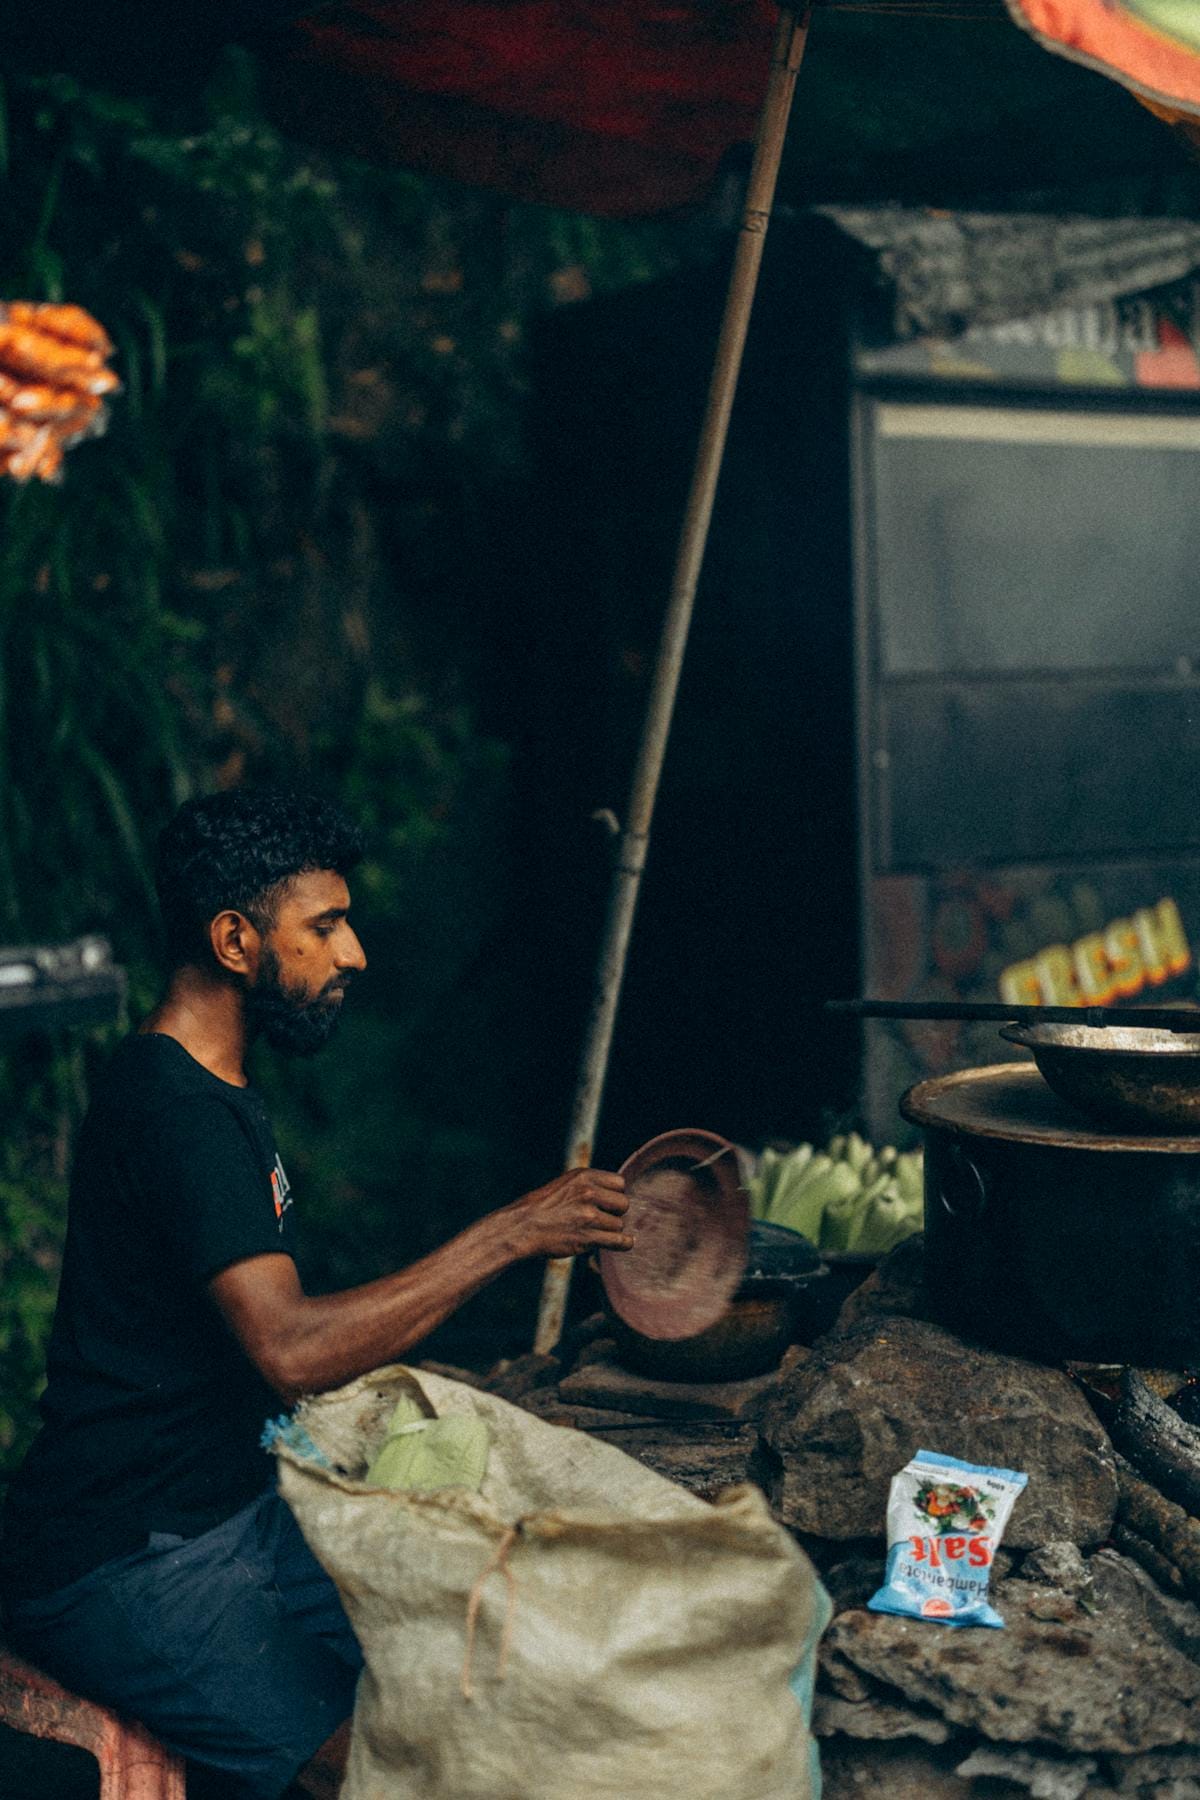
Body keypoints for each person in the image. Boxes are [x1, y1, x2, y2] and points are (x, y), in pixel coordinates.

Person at [0, 787, 632, 1800]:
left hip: (231, 1508)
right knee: (389, 1769)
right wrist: (513, 1234)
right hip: (127, 1553)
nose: (355, 954)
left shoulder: (211, 1092)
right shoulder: (180, 1115)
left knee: (469, 1655)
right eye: (326, 927)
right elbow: (287, 1347)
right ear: (236, 940)